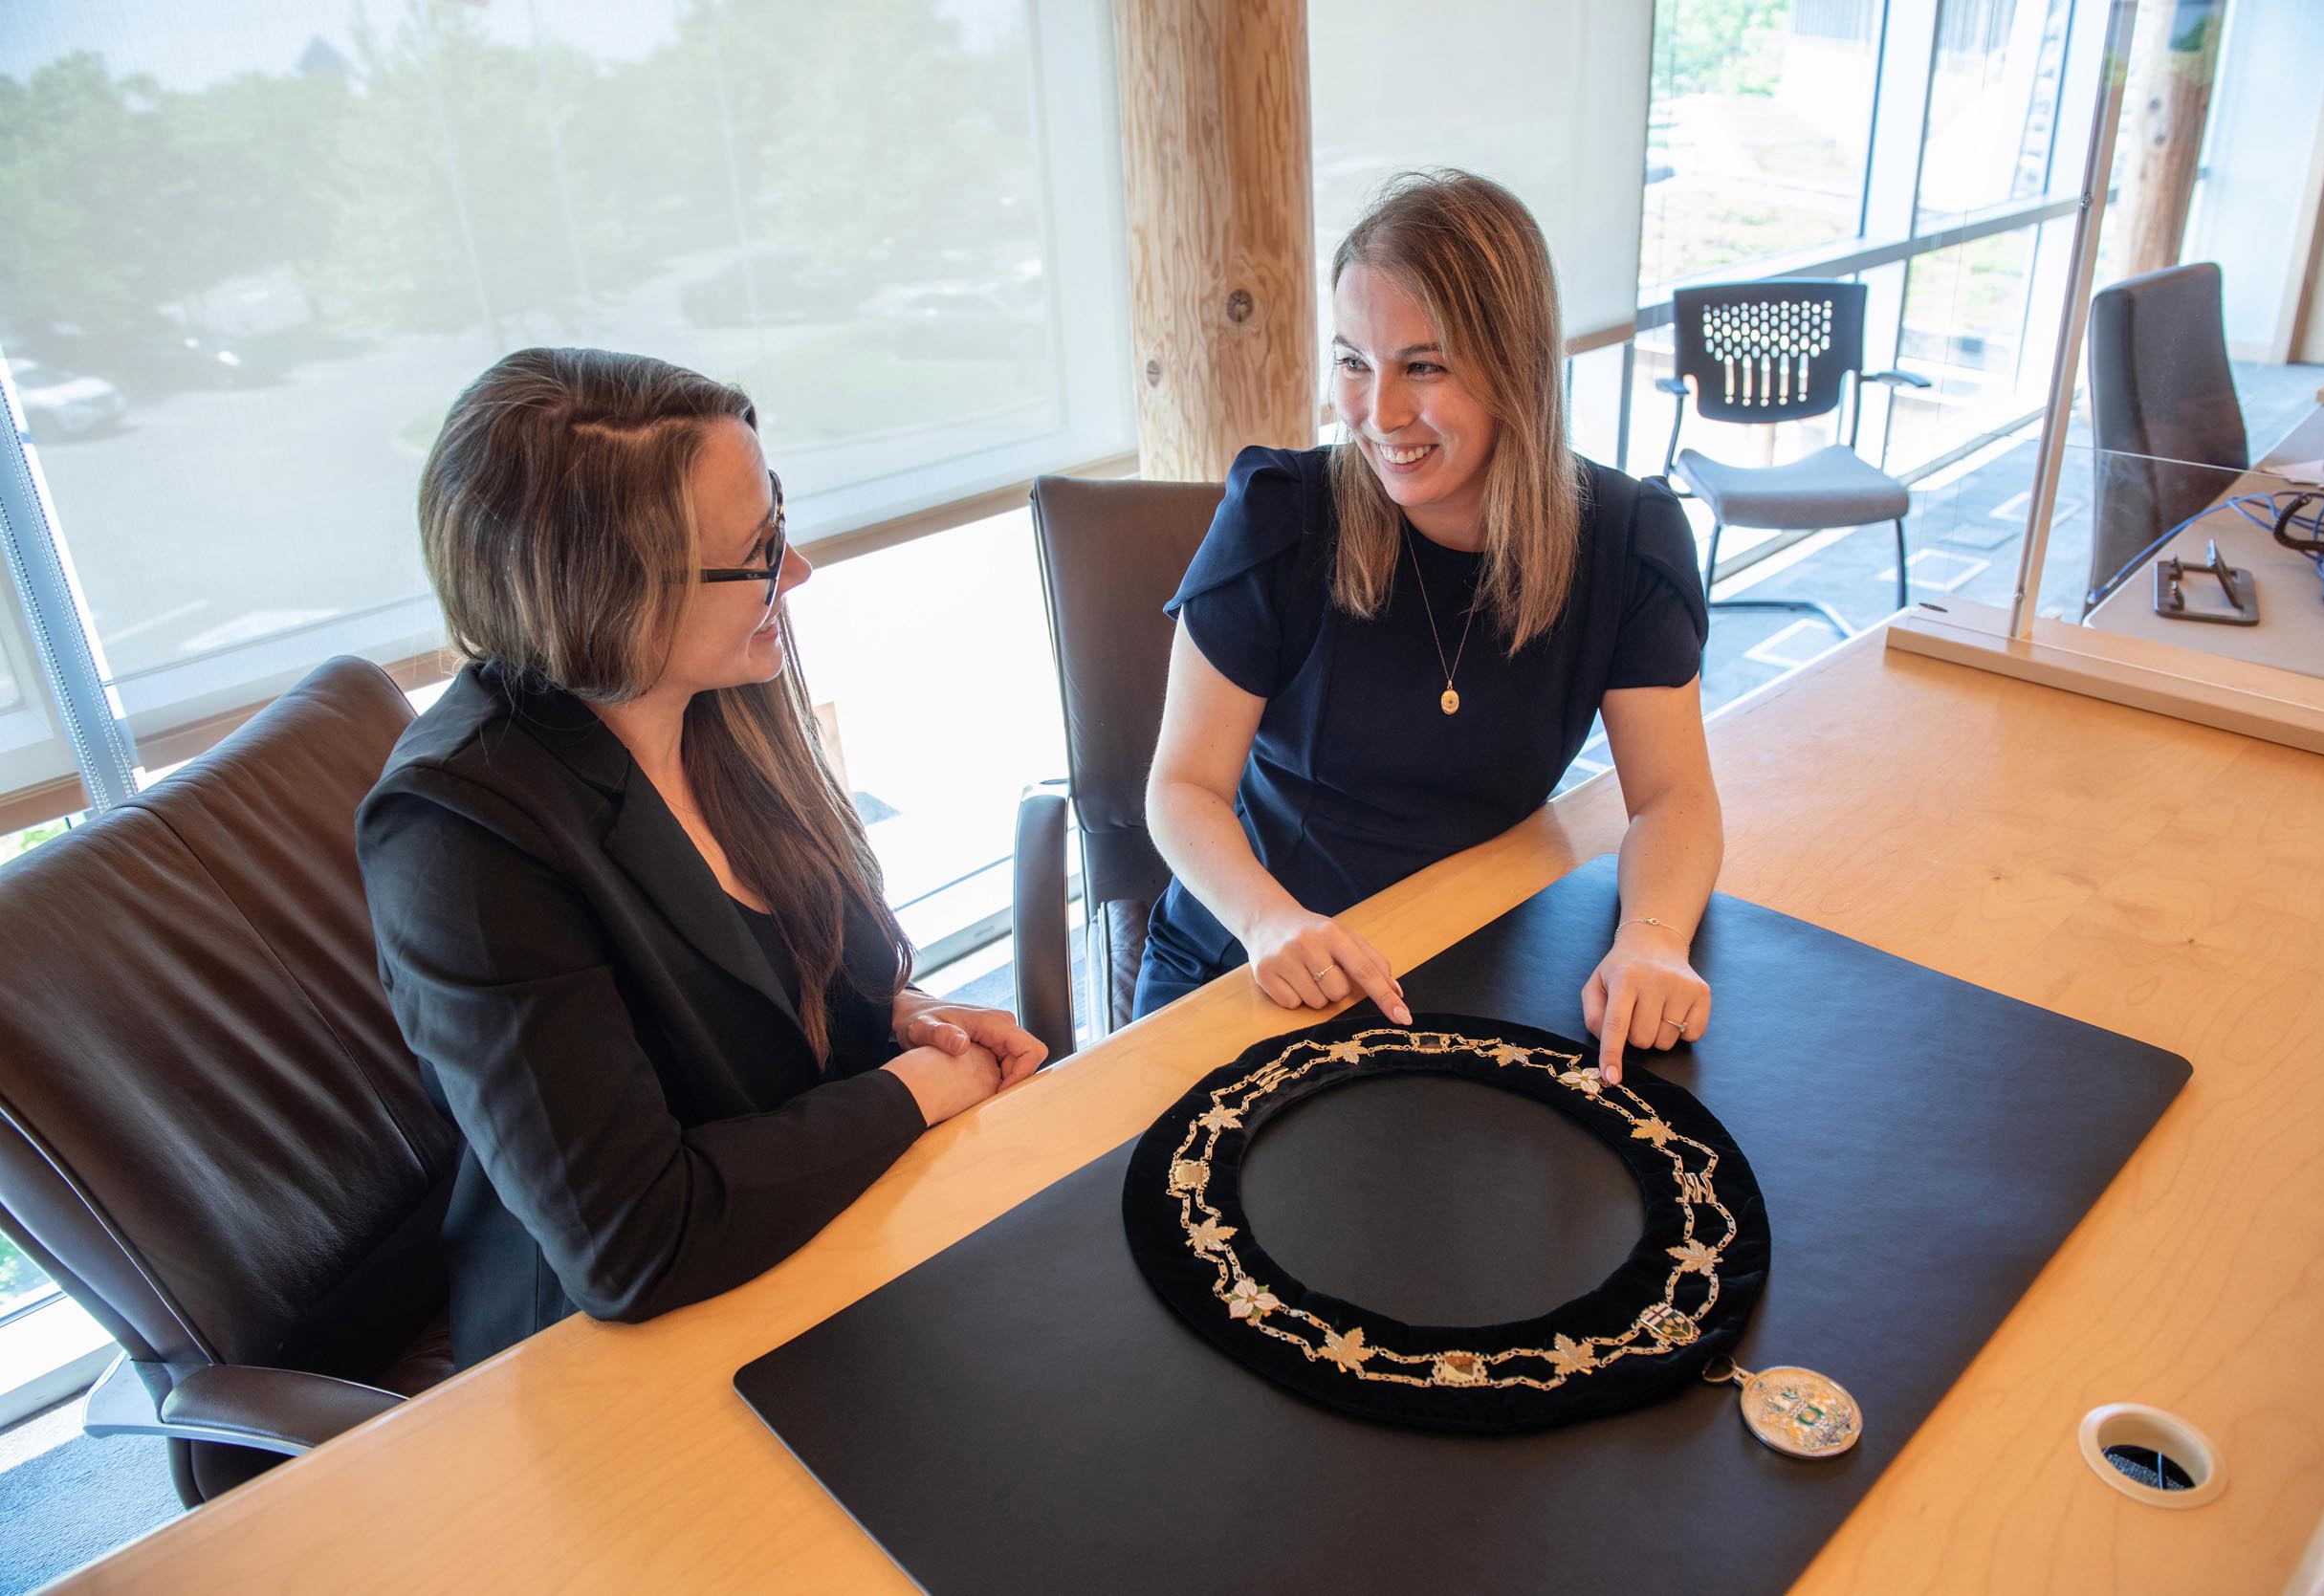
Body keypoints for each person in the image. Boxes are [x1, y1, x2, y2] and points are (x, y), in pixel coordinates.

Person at [358, 348, 1046, 1368]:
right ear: (609, 590)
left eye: (778, 520)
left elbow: (785, 983)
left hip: (820, 1235)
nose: (796, 571)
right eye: (760, 548)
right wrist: (920, 1089)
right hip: (619, 1354)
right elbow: (635, 1242)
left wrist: (903, 1020)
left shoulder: (723, 688)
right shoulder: (458, 840)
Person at [1136, 170, 1723, 1082]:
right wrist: (1268, 919)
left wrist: (1653, 938)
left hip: (1468, 952)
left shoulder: (1625, 540)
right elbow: (1181, 788)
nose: (1380, 414)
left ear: (1514, 364)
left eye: (1425, 364)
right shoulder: (1283, 518)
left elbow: (1673, 796)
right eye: (1354, 362)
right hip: (1255, 961)